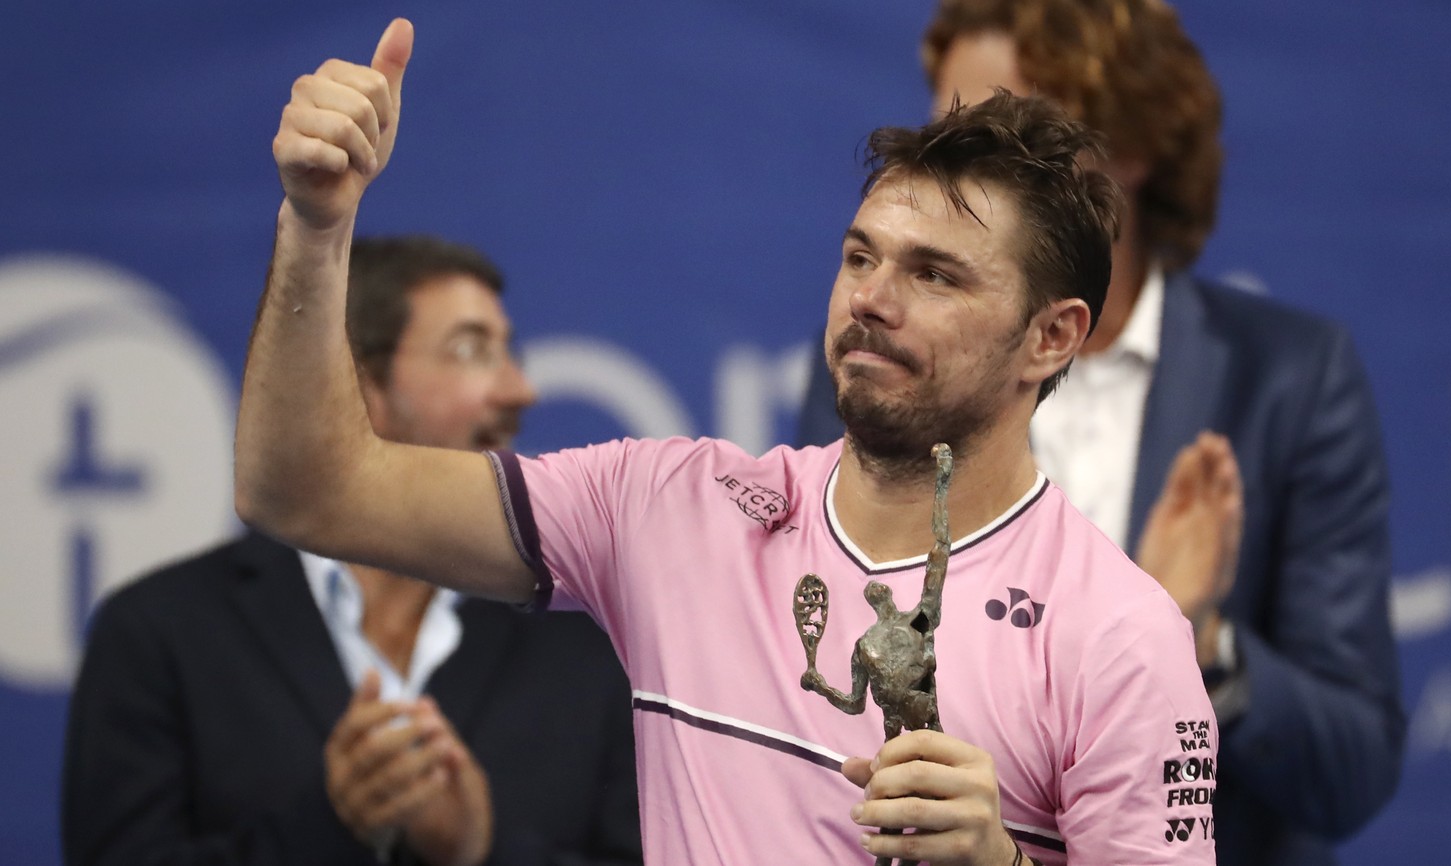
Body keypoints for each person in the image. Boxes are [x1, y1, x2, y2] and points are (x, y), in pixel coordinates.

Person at [235, 19, 1217, 865]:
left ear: (1053, 337)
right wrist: (318, 226)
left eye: (936, 274)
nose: (870, 299)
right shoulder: (669, 509)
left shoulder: (1125, 637)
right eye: (860, 255)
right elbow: (307, 491)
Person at [795, 2, 1405, 863]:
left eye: (1012, 129)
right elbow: (807, 693)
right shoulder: (879, 359)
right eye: (950, 130)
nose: (956, 173)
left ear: (1137, 146)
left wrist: (1196, 642)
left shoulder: (1290, 381)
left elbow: (1353, 770)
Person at [62, 235, 643, 866]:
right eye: (472, 350)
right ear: (359, 387)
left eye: (511, 352)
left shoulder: (593, 644)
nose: (519, 390)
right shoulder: (160, 632)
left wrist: (481, 851)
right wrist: (329, 827)